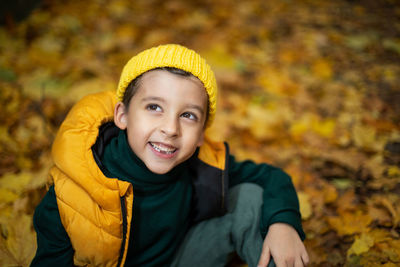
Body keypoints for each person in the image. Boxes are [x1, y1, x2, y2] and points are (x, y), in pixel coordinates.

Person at [31, 44, 309, 267]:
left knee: (249, 198)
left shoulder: (200, 163)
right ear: (123, 115)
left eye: (188, 115)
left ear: (201, 134)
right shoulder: (72, 195)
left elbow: (272, 177)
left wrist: (284, 224)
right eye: (154, 107)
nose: (170, 128)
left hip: (179, 258)